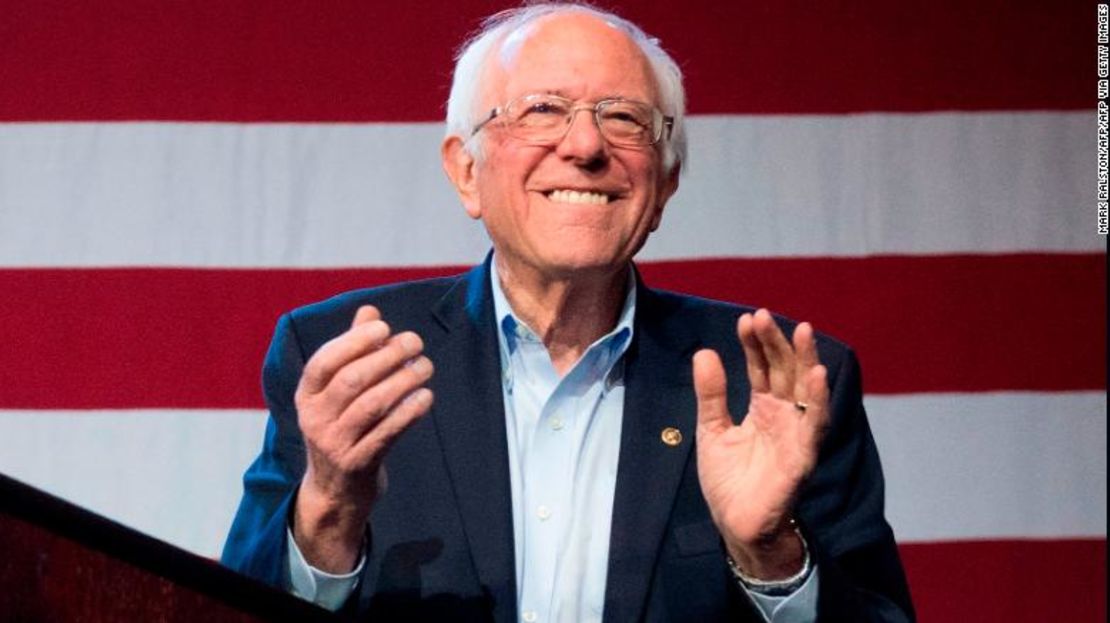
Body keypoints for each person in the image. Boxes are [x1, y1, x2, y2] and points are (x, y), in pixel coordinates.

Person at [222, 3, 914, 622]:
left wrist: (772, 556)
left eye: (624, 118)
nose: (585, 147)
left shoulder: (775, 387)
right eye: (544, 110)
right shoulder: (343, 361)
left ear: (665, 181)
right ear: (467, 170)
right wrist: (329, 512)